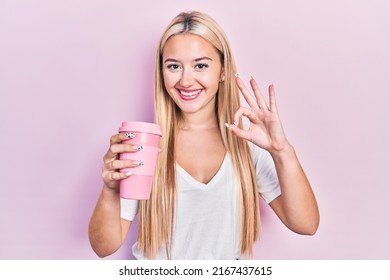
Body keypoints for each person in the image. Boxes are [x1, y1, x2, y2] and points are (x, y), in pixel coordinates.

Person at [88, 11, 319, 260]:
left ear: (222, 70)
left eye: (201, 65)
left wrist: (282, 152)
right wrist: (110, 189)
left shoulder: (248, 143)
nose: (186, 80)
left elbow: (306, 225)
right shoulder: (145, 146)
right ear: (162, 72)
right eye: (174, 66)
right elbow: (104, 246)